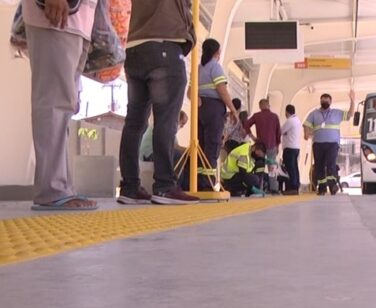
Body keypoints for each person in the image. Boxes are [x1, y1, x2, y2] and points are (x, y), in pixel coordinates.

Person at [117, 0, 199, 205]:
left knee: (134, 123)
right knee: (166, 120)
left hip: (134, 47)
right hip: (164, 45)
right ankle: (164, 186)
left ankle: (130, 187)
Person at [24, 0, 99, 210]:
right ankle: (52, 190)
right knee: (53, 102)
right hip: (57, 16)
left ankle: (61, 186)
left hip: (77, 20)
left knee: (63, 106)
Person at [191, 38, 239, 190]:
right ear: (217, 52)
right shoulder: (215, 67)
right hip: (214, 109)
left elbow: (189, 92)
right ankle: (208, 183)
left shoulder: (197, 68)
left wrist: (197, 97)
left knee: (201, 144)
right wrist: (233, 109)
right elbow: (222, 91)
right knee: (212, 145)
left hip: (199, 110)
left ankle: (197, 182)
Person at [304, 91, 356, 196]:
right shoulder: (314, 114)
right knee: (319, 166)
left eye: (327, 100)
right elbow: (306, 124)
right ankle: (322, 188)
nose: (324, 102)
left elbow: (350, 114)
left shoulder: (336, 113)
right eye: (323, 100)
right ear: (320, 101)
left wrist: (352, 101)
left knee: (330, 164)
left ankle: (332, 186)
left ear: (330, 102)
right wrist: (306, 133)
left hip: (333, 144)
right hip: (318, 144)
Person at [244, 98, 281, 194]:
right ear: (268, 105)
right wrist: (277, 145)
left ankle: (258, 187)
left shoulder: (257, 116)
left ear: (260, 106)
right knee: (272, 167)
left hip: (260, 146)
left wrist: (252, 136)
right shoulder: (274, 116)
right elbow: (278, 133)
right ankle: (273, 188)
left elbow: (246, 124)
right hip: (272, 144)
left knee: (259, 167)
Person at [280, 104, 302, 195]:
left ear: (286, 112)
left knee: (290, 168)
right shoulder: (297, 120)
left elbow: (281, 131)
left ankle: (292, 187)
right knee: (294, 168)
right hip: (296, 147)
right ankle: (296, 185)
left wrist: (284, 133)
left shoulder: (290, 121)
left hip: (289, 147)